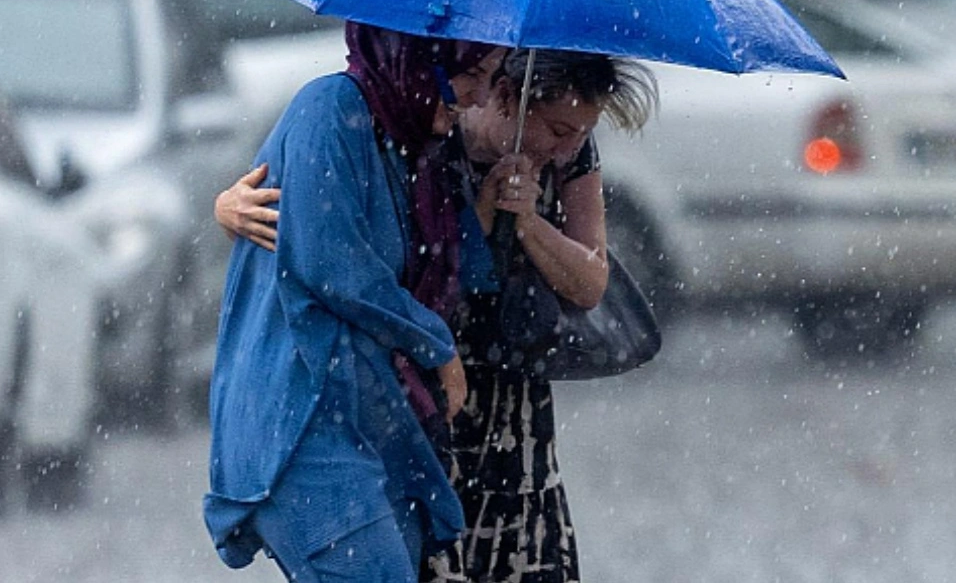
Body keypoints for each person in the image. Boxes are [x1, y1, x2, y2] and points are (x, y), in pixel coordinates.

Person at [215, 47, 658, 583]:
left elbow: (591, 282)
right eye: (559, 130)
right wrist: (228, 207)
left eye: (581, 135)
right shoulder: (422, 124)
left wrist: (527, 223)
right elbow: (337, 238)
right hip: (419, 385)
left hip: (504, 388)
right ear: (506, 98)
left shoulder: (565, 158)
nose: (567, 150)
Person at [204, 20, 508, 582]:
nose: (482, 97)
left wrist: (504, 203)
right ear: (423, 60)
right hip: (301, 423)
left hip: (372, 422)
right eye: (474, 74)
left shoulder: (413, 143)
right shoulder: (329, 110)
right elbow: (333, 264)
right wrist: (435, 346)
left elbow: (453, 267)